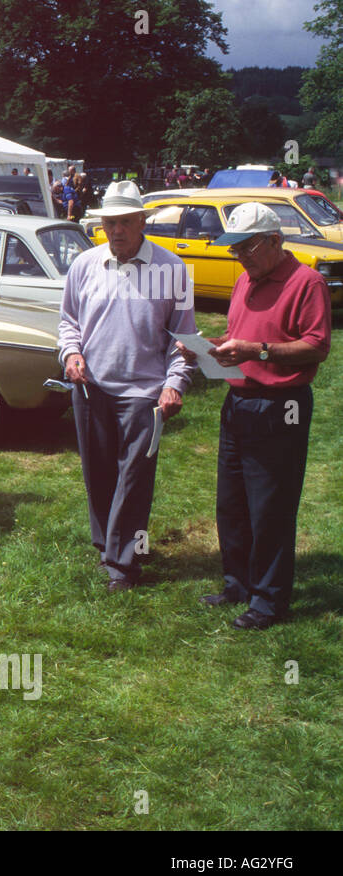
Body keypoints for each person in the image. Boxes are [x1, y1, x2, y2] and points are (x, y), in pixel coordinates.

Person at [179, 204, 330, 629]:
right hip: (240, 403)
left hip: (280, 406)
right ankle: (238, 584)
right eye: (234, 249)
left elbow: (317, 346)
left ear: (275, 242)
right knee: (232, 503)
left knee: (271, 507)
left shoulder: (307, 283)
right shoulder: (247, 279)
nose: (239, 257)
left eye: (246, 248)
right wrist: (208, 345)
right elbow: (236, 335)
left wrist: (258, 351)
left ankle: (268, 600)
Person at [57, 180, 197, 590]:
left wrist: (175, 383)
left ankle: (122, 563)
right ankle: (108, 544)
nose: (115, 231)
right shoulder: (85, 265)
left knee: (134, 478)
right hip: (91, 387)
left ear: (142, 222)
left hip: (144, 392)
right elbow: (69, 322)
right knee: (97, 472)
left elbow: (183, 339)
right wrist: (71, 354)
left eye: (124, 222)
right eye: (108, 223)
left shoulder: (171, 270)